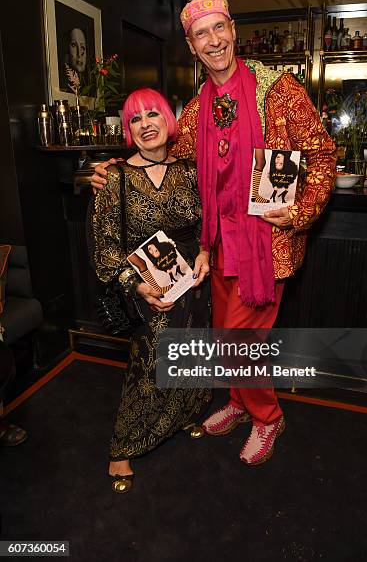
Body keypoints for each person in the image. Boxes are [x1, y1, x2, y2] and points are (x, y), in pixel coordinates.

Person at [91, 0, 336, 466]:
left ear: (234, 31)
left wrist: (301, 210)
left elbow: (322, 152)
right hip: (213, 245)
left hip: (265, 243)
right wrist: (116, 170)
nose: (214, 39)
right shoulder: (198, 105)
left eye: (219, 28)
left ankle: (267, 417)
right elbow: (164, 151)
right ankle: (241, 402)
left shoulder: (278, 88)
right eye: (202, 33)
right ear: (192, 45)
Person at [92, 87, 211, 492]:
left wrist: (206, 253)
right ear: (128, 129)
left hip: (192, 279)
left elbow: (205, 224)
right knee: (149, 362)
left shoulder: (190, 170)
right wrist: (135, 285)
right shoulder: (115, 179)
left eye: (152, 115)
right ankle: (122, 448)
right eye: (135, 119)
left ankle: (182, 416)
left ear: (168, 119)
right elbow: (105, 248)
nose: (145, 125)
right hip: (148, 282)